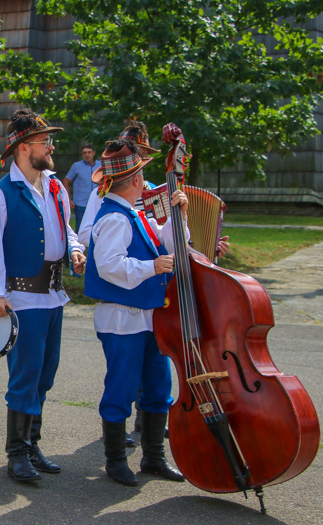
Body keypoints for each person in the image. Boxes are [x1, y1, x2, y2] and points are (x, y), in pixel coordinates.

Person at [0, 108, 86, 482]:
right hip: (22, 299)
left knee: (45, 374)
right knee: (25, 376)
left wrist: (74, 249)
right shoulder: (0, 195)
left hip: (53, 295)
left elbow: (65, 228)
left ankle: (32, 444)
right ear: (23, 149)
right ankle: (16, 453)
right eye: (44, 141)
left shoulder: (54, 185)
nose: (51, 147)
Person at [83, 138, 187, 487]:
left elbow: (173, 245)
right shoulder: (114, 217)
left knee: (158, 387)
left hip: (146, 316)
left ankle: (153, 458)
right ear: (138, 181)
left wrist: (177, 215)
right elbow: (109, 266)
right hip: (122, 318)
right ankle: (115, 462)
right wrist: (152, 266)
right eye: (144, 175)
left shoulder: (134, 214)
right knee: (121, 388)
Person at [64, 143, 101, 233]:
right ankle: (80, 246)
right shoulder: (77, 166)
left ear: (94, 153)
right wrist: (69, 200)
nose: (87, 155)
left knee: (98, 226)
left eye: (89, 152)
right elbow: (66, 181)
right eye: (84, 153)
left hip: (97, 201)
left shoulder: (100, 166)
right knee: (80, 229)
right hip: (81, 203)